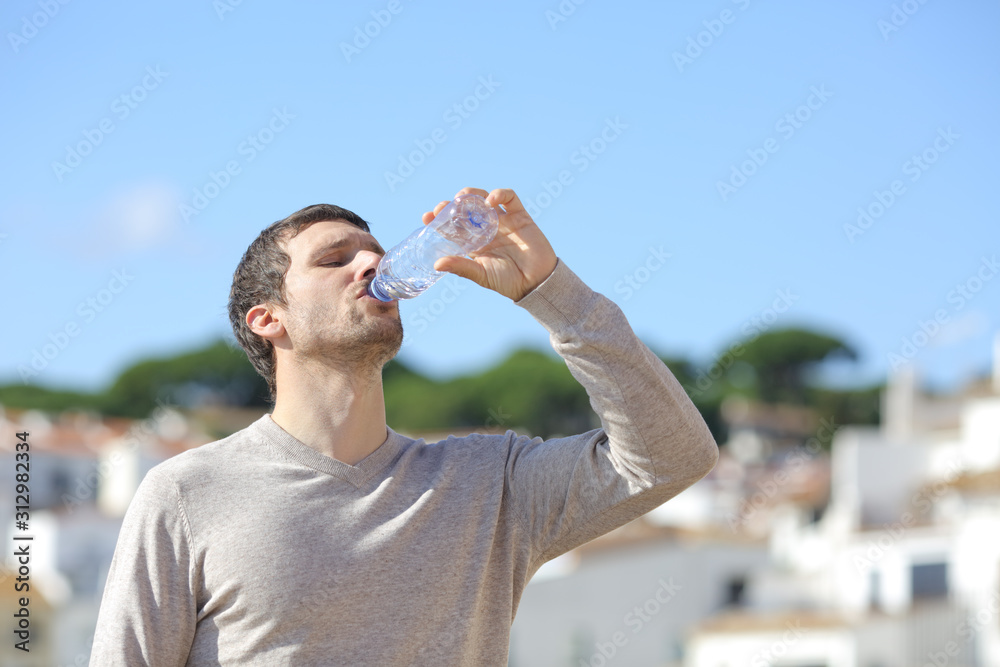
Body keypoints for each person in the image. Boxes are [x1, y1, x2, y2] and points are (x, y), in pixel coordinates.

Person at [89, 187, 719, 666]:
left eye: (375, 252)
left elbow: (675, 455)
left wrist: (552, 292)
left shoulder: (490, 486)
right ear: (268, 319)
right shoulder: (187, 493)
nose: (371, 262)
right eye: (334, 259)